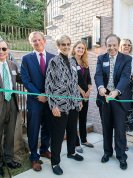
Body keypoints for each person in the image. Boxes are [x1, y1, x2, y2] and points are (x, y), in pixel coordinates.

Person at [45, 35, 84, 175]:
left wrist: (78, 100)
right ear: (58, 46)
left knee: (73, 130)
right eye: (63, 44)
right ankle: (55, 162)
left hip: (73, 104)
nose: (66, 46)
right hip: (59, 105)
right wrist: (53, 105)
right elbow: (48, 85)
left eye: (68, 44)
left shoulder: (73, 62)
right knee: (58, 135)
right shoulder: (53, 62)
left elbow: (74, 83)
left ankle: (71, 152)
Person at [94, 34, 132, 170]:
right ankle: (107, 152)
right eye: (109, 45)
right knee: (107, 127)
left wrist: (117, 91)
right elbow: (98, 75)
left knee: (120, 129)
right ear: (106, 45)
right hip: (105, 98)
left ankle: (121, 155)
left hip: (119, 97)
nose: (111, 48)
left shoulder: (126, 59)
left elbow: (125, 77)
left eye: (114, 45)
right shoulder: (101, 58)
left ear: (118, 44)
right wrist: (100, 87)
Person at [21, 31, 55, 171]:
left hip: (49, 100)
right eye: (34, 40)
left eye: (39, 40)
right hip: (34, 101)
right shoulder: (26, 58)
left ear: (44, 41)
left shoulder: (54, 58)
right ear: (31, 43)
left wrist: (48, 95)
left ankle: (44, 150)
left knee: (47, 127)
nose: (37, 42)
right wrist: (38, 94)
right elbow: (25, 79)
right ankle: (34, 157)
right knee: (33, 129)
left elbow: (57, 79)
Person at [0, 39, 21, 177]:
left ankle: (8, 159)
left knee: (10, 133)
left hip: (12, 103)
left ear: (8, 50)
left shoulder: (13, 65)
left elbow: (21, 79)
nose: (1, 52)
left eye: (3, 49)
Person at [71, 41, 93, 153]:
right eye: (79, 48)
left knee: (83, 118)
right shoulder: (71, 62)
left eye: (83, 48)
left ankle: (84, 139)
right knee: (75, 119)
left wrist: (89, 90)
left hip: (86, 95)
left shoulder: (85, 63)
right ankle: (76, 144)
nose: (81, 50)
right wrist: (81, 91)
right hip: (75, 95)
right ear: (74, 48)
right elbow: (71, 80)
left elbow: (89, 79)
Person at [119, 38, 133, 150]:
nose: (126, 46)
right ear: (120, 46)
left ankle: (124, 141)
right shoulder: (116, 57)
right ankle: (119, 141)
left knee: (126, 115)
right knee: (118, 116)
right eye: (124, 44)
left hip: (129, 89)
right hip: (118, 88)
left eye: (129, 45)